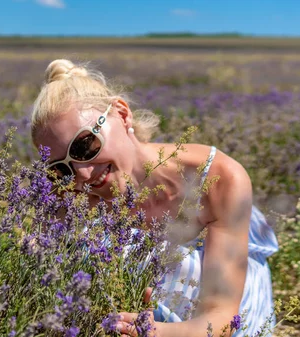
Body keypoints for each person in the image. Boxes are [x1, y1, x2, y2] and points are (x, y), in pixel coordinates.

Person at [30, 59, 279, 337]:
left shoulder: (219, 178)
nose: (84, 173)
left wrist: (155, 333)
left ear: (122, 114)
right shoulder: (73, 190)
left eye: (85, 145)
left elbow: (220, 318)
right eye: (59, 167)